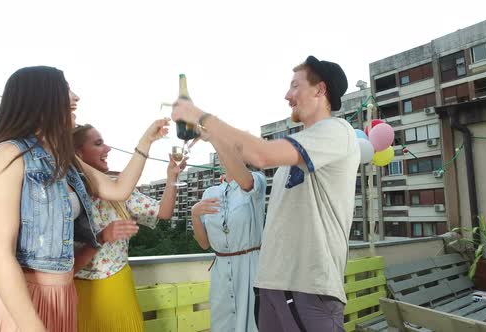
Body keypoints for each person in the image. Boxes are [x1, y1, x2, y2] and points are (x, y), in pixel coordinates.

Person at [0, 66, 168, 332]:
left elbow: (118, 190)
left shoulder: (66, 161)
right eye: (66, 89)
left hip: (63, 298)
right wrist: (31, 326)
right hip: (23, 304)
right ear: (41, 98)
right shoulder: (8, 154)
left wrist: (146, 142)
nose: (75, 97)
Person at [172, 55, 359, 331]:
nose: (287, 95)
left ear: (320, 90)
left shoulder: (337, 131)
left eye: (295, 86)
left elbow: (261, 154)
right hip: (273, 287)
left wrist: (201, 116)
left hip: (308, 287)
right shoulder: (300, 147)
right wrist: (213, 137)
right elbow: (244, 174)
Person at [71, 124, 185, 332]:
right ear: (78, 154)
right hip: (79, 297)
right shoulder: (69, 199)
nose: (108, 149)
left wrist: (172, 177)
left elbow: (164, 212)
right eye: (98, 144)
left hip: (119, 292)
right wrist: (102, 236)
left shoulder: (121, 190)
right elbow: (66, 267)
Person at [191, 146, 266, 332]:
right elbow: (203, 243)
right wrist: (194, 214)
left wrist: (214, 136)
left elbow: (246, 182)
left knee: (254, 323)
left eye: (235, 151)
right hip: (221, 271)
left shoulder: (256, 181)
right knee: (222, 324)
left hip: (250, 267)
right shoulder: (210, 193)